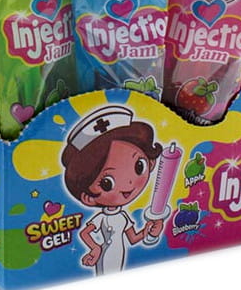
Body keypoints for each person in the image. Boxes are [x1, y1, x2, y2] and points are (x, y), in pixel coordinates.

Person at [61, 105, 164, 274]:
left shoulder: (123, 217)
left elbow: (132, 238)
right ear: (88, 197)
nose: (129, 183)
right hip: (104, 256)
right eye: (106, 183)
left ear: (150, 163)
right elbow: (84, 233)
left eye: (139, 166)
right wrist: (95, 248)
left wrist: (149, 231)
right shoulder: (102, 218)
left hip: (121, 257)